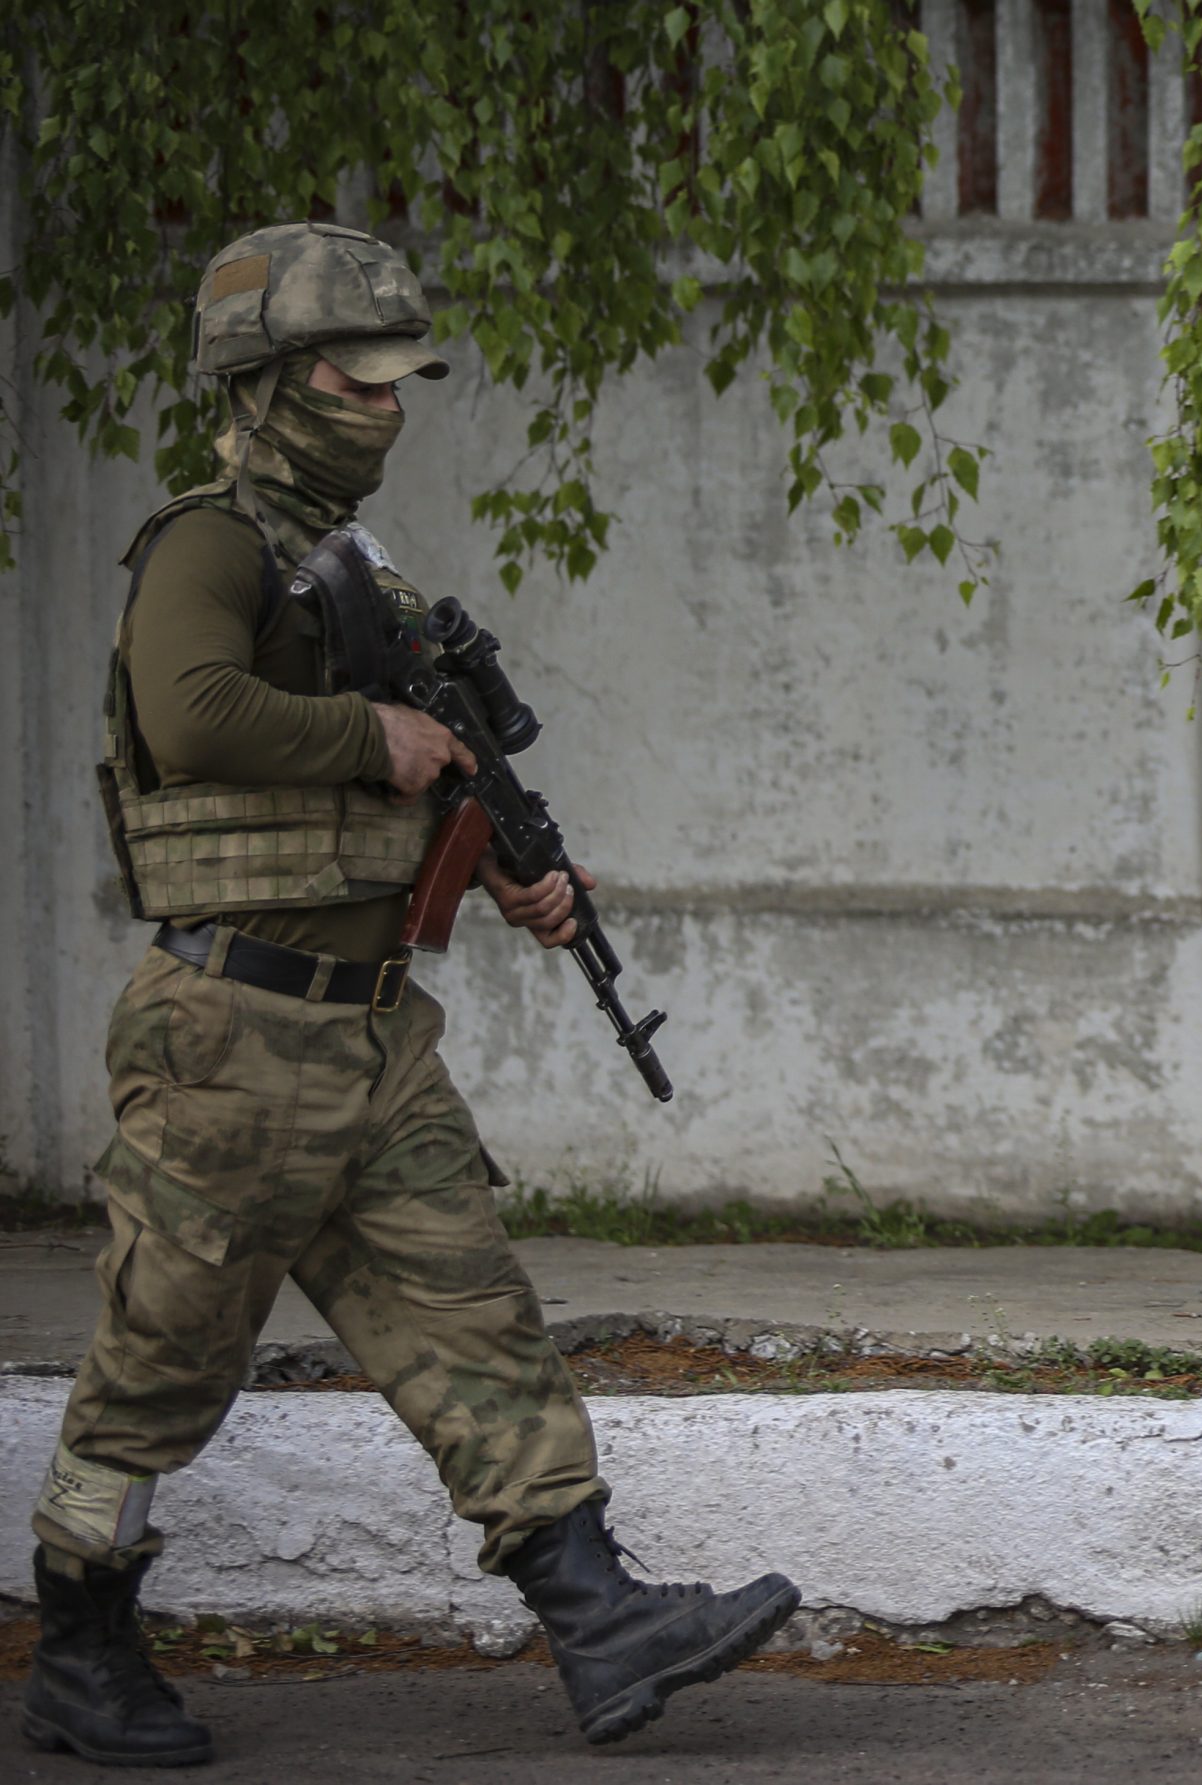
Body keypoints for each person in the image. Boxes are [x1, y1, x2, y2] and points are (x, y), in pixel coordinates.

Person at [20, 222, 800, 1768]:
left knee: (476, 1325)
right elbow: (186, 716)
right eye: (352, 373)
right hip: (227, 1038)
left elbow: (416, 768)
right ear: (265, 379)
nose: (385, 402)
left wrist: (500, 865)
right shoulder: (209, 544)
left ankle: (602, 1618)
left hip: (372, 1036)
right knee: (156, 1361)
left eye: (395, 378)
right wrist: (373, 741)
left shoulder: (366, 570)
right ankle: (83, 1648)